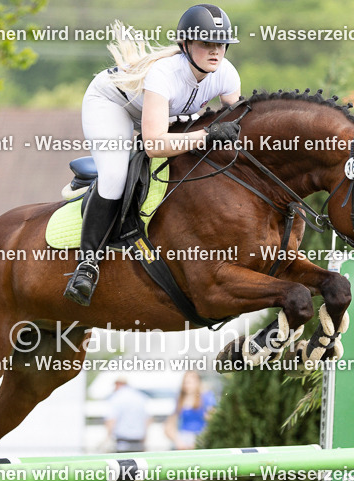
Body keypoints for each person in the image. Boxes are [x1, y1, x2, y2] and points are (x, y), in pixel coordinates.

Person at [64, 4, 243, 306]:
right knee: (116, 177)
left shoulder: (226, 74)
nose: (216, 51)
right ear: (185, 45)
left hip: (161, 115)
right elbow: (154, 145)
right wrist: (207, 135)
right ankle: (86, 266)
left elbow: (238, 124)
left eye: (221, 44)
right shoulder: (165, 73)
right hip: (112, 106)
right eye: (206, 43)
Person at [164, 370, 216, 450]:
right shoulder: (180, 400)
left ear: (198, 382)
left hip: (200, 440)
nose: (187, 385)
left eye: (190, 382)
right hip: (183, 440)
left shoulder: (207, 398)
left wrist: (200, 440)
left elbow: (213, 422)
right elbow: (169, 426)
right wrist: (178, 441)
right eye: (185, 382)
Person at [105, 376, 151, 452]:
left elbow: (111, 419)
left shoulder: (116, 397)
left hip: (122, 440)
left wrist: (107, 437)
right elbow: (148, 419)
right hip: (138, 440)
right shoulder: (140, 397)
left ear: (118, 384)